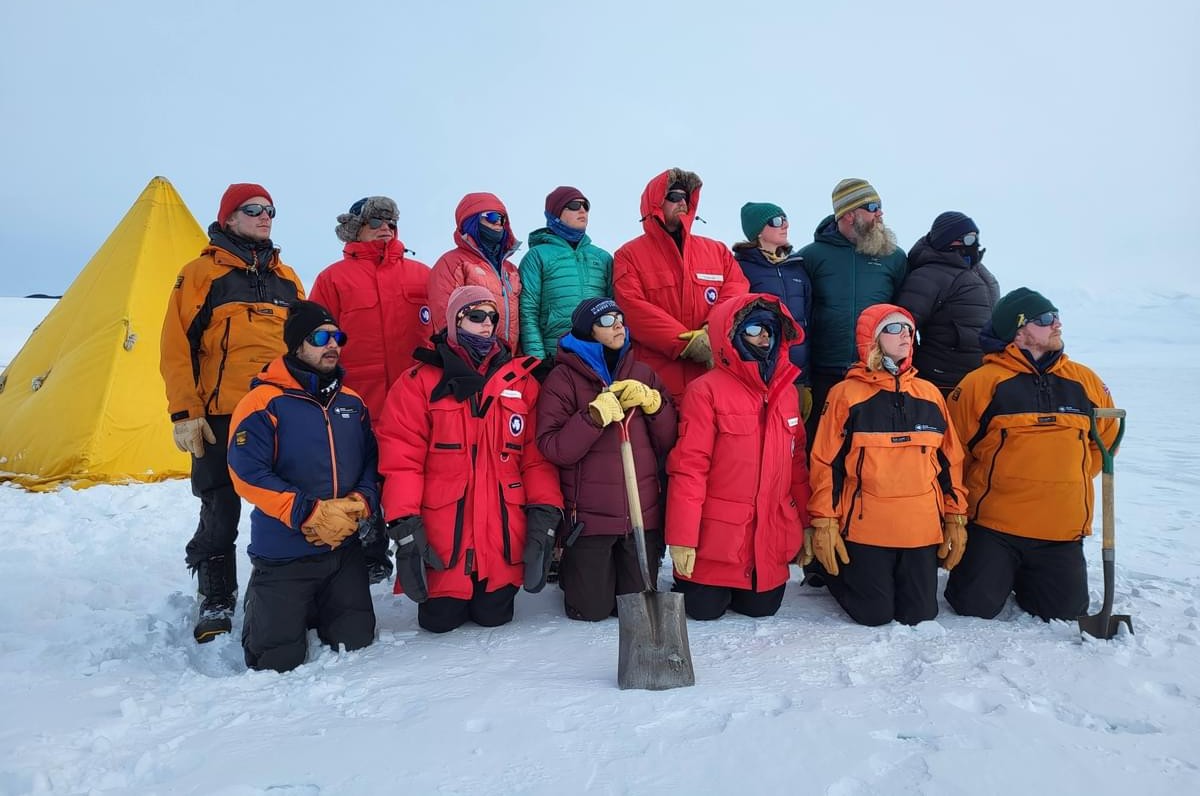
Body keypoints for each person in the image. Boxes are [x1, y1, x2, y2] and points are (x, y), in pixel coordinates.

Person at [159, 182, 305, 643]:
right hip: (221, 414)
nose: (266, 217)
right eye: (254, 209)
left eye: (271, 210)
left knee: (287, 501)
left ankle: (287, 587)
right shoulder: (200, 274)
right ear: (229, 217)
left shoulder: (289, 279)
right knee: (220, 505)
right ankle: (216, 596)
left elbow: (304, 345)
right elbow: (175, 347)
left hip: (281, 411)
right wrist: (185, 411)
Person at [377, 286, 563, 633]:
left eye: (493, 316)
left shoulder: (521, 382)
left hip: (501, 536)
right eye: (476, 316)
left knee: (494, 617)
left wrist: (545, 515)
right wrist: (404, 526)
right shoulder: (419, 382)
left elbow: (536, 460)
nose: (487, 324)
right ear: (454, 320)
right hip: (444, 539)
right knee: (439, 622)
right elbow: (403, 461)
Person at [945, 288, 1118, 622]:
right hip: (995, 528)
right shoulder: (981, 384)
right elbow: (955, 453)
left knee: (1064, 612)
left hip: (1060, 531)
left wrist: (1069, 477)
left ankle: (1029, 576)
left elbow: (1105, 442)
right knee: (972, 606)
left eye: (1055, 315)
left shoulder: (1085, 381)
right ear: (1019, 330)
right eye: (1045, 319)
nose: (1057, 324)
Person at [227, 301, 379, 672]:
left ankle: (313, 603)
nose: (332, 345)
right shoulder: (264, 401)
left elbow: (371, 463)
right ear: (296, 345)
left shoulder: (352, 402)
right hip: (284, 551)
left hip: (342, 548)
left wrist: (360, 503)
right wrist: (308, 512)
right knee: (275, 660)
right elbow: (246, 471)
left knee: (356, 638)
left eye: (337, 337)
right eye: (320, 337)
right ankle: (262, 603)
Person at [807, 304, 969, 626]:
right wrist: (824, 522)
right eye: (894, 328)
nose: (906, 335)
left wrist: (955, 515)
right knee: (873, 614)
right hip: (866, 526)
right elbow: (826, 463)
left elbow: (951, 461)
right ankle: (825, 571)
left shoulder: (930, 394)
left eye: (909, 329)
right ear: (872, 338)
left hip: (919, 526)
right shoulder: (845, 395)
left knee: (920, 614)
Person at [309, 196, 433, 584]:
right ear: (355, 227)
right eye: (376, 220)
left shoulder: (421, 275)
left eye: (391, 221)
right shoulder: (333, 279)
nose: (386, 227)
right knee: (361, 477)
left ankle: (420, 545)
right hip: (356, 399)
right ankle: (370, 549)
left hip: (413, 399)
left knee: (417, 473)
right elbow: (314, 344)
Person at [665, 293, 809, 620]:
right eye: (755, 328)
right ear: (731, 336)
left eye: (770, 330)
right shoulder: (705, 391)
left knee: (763, 609)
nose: (764, 337)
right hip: (716, 540)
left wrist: (806, 525)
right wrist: (682, 539)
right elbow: (689, 468)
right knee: (702, 611)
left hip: (768, 541)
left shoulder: (787, 391)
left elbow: (797, 464)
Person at [535, 298, 678, 620]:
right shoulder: (563, 379)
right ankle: (575, 571)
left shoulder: (643, 373)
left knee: (638, 607)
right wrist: (592, 418)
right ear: (588, 330)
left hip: (640, 518)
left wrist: (655, 405)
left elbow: (669, 441)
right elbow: (554, 448)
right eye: (607, 320)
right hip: (590, 522)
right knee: (590, 610)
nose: (618, 325)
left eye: (620, 318)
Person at [612, 168, 750, 401]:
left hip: (712, 377)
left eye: (686, 197)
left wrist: (711, 331)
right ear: (655, 203)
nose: (682, 202)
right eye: (674, 197)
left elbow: (736, 291)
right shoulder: (629, 255)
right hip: (656, 382)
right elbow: (632, 308)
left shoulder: (717, 251)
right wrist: (687, 343)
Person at [799, 178, 908, 446]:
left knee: (871, 448)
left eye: (880, 207)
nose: (880, 214)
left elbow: (905, 315)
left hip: (877, 373)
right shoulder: (811, 257)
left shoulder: (894, 258)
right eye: (872, 207)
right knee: (824, 447)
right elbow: (799, 317)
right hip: (827, 374)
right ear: (849, 215)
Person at [895, 211, 1000, 395]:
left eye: (976, 238)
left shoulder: (979, 272)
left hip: (981, 379)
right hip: (943, 383)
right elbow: (903, 327)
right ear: (950, 241)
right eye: (968, 239)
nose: (975, 244)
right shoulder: (928, 276)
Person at [732, 201, 813, 419]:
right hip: (762, 377)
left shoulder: (796, 266)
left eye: (785, 219)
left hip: (797, 375)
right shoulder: (741, 268)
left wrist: (806, 380)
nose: (784, 225)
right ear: (758, 231)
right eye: (777, 221)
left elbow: (808, 319)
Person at [518, 187, 613, 366]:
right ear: (555, 213)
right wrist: (537, 361)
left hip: (598, 357)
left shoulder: (603, 258)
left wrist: (614, 352)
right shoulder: (537, 256)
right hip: (555, 357)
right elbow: (528, 311)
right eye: (574, 205)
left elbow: (615, 309)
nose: (582, 210)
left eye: (586, 205)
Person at [427, 193, 522, 351]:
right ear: (472, 221)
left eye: (502, 218)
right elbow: (444, 315)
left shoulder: (510, 270)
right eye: (492, 216)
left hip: (507, 362)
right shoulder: (452, 262)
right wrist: (465, 355)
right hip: (471, 359)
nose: (499, 221)